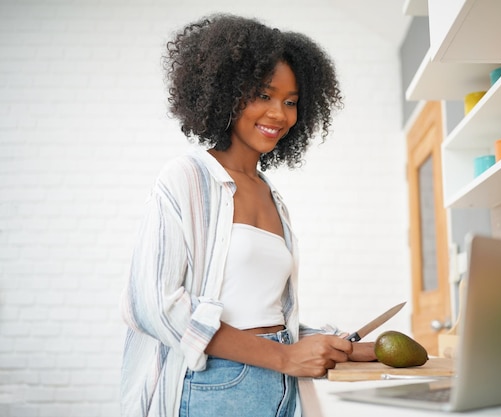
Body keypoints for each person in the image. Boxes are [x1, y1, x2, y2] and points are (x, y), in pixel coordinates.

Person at [119, 14, 376, 417]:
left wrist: (355, 349)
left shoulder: (273, 196)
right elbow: (153, 305)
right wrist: (283, 359)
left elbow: (264, 313)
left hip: (278, 385)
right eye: (263, 95)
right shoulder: (187, 178)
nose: (279, 114)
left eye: (291, 102)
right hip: (215, 381)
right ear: (226, 92)